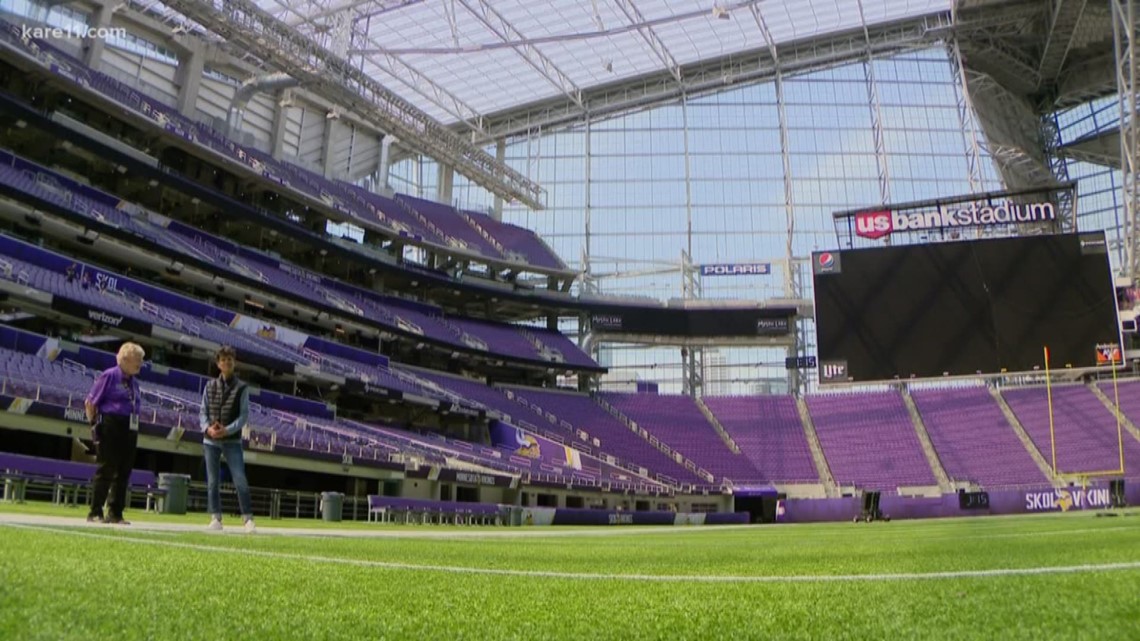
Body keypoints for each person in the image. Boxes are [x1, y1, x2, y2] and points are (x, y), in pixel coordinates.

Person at [85, 342, 145, 525]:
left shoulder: (134, 382)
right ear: (125, 358)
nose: (141, 363)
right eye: (138, 359)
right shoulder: (109, 376)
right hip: (111, 424)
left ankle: (115, 513)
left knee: (124, 471)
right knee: (106, 468)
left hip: (130, 426)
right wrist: (94, 424)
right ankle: (95, 512)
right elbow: (90, 402)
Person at [199, 346, 255, 533]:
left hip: (232, 441)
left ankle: (247, 519)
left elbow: (243, 416)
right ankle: (215, 517)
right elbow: (203, 412)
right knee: (213, 481)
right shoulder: (209, 386)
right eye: (223, 359)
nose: (226, 362)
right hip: (211, 440)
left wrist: (227, 430)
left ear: (234, 362)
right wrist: (208, 428)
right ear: (218, 363)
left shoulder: (242, 387)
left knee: (240, 479)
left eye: (229, 359)